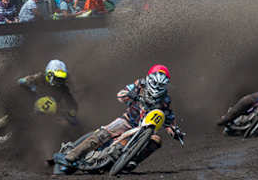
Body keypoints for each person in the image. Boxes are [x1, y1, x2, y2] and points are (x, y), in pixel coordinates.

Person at [54, 64, 183, 171]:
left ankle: (132, 161)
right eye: (156, 83)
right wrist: (129, 94)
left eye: (161, 85)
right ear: (150, 78)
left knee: (156, 140)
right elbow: (120, 95)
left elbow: (169, 119)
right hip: (127, 121)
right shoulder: (140, 84)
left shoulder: (165, 100)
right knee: (103, 133)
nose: (158, 87)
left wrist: (175, 132)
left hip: (144, 129)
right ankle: (71, 156)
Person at [0, 59, 78, 159]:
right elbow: (20, 81)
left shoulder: (63, 88)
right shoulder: (38, 78)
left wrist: (71, 114)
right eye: (58, 75)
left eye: (62, 76)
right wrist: (32, 88)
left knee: (65, 125)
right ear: (49, 74)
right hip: (28, 109)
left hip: (49, 114)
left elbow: (72, 104)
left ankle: (61, 149)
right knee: (8, 120)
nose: (60, 79)